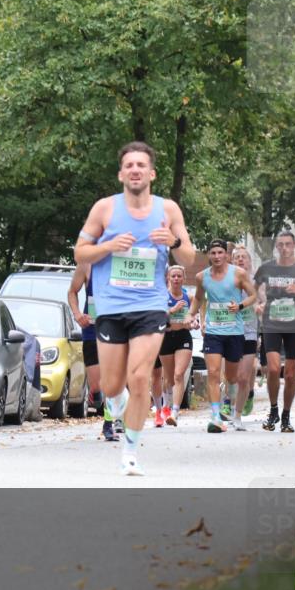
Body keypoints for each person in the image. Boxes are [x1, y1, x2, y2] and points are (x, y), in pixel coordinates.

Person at [74, 141, 195, 476]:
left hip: (150, 306)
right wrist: (109, 245)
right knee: (112, 386)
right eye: (129, 165)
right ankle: (118, 405)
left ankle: (130, 450)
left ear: (152, 173)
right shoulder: (105, 209)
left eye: (141, 165)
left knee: (139, 377)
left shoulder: (167, 210)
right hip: (111, 306)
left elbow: (187, 257)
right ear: (121, 174)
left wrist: (171, 242)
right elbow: (80, 253)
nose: (135, 170)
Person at [189, 239, 256, 433]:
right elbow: (199, 298)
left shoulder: (239, 274)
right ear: (209, 255)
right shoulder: (202, 277)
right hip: (213, 331)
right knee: (213, 372)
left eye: (220, 253)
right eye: (213, 253)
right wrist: (191, 314)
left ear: (226, 255)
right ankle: (216, 415)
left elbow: (252, 295)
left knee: (232, 377)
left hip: (235, 332)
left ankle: (236, 412)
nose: (217, 256)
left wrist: (240, 306)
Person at [253, 231, 295, 433]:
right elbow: (251, 289)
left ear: (294, 245)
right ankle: (273, 410)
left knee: (290, 374)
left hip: (294, 326)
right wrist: (257, 304)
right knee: (272, 369)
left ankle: (286, 416)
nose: (284, 248)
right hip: (271, 324)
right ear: (276, 247)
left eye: (288, 244)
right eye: (280, 244)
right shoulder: (267, 268)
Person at [68, 263, 118, 440]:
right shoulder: (86, 265)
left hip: (115, 327)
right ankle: (95, 394)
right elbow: (72, 292)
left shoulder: (122, 262)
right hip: (91, 328)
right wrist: (77, 314)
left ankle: (108, 423)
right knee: (96, 384)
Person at [160, 265, 195, 426]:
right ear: (168, 277)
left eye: (179, 276)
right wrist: (173, 310)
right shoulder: (161, 296)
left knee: (178, 374)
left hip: (183, 338)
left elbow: (193, 318)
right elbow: (158, 317)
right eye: (173, 276)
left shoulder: (190, 298)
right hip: (166, 338)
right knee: (168, 378)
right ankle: (165, 405)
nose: (176, 279)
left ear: (183, 278)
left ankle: (175, 411)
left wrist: (193, 323)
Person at [231, 246, 259, 425]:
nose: (241, 259)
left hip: (250, 332)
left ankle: (237, 415)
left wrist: (261, 307)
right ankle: (231, 402)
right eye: (237, 257)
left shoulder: (256, 281)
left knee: (243, 377)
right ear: (232, 262)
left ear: (249, 261)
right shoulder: (227, 280)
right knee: (232, 376)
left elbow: (264, 299)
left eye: (244, 257)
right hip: (231, 331)